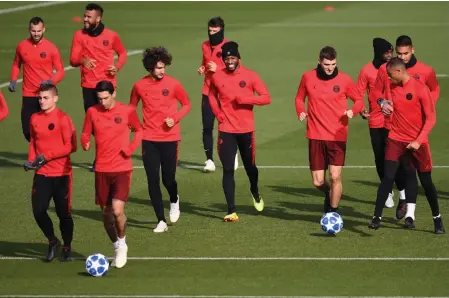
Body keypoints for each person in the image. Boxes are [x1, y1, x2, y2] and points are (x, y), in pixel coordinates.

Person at [368, 57, 444, 234]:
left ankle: (437, 219)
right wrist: (382, 103)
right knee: (388, 177)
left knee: (426, 182)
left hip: (418, 143)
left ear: (399, 71)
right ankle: (376, 217)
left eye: (390, 75)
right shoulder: (393, 86)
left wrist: (418, 140)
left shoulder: (420, 89)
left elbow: (431, 118)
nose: (388, 78)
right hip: (395, 139)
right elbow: (375, 93)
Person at [81, 80, 143, 268]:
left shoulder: (127, 111)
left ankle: (123, 243)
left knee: (117, 211)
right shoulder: (92, 112)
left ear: (113, 93)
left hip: (122, 168)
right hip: (101, 169)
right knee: (107, 215)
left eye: (106, 98)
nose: (103, 102)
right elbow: (85, 133)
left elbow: (139, 130)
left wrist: (131, 148)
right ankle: (116, 245)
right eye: (100, 99)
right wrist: (85, 142)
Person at [295, 46, 364, 214]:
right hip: (316, 134)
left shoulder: (345, 80)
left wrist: (352, 111)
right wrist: (301, 111)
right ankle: (329, 193)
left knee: (335, 176)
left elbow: (359, 100)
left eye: (333, 64)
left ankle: (332, 212)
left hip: (337, 135)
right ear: (319, 61)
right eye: (327, 64)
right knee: (318, 182)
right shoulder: (307, 77)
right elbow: (299, 97)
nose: (330, 68)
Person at [208, 41, 271, 222]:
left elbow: (267, 98)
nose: (229, 62)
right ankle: (231, 210)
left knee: (250, 167)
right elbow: (212, 95)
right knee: (228, 169)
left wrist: (246, 99)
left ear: (238, 58)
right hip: (226, 129)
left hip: (246, 130)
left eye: (232, 58)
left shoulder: (250, 75)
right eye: (227, 59)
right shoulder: (217, 76)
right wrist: (218, 113)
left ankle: (255, 191)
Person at [130, 47, 191, 233]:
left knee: (168, 179)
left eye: (163, 67)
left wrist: (175, 118)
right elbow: (130, 109)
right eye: (158, 68)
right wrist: (137, 127)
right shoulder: (139, 86)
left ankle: (174, 199)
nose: (162, 71)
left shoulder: (173, 84)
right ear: (150, 68)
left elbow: (187, 104)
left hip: (170, 138)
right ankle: (161, 220)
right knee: (152, 180)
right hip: (149, 139)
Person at [70, 3, 127, 170]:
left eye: (89, 17)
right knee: (95, 122)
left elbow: (122, 53)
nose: (85, 19)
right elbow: (73, 59)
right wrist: (82, 60)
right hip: (88, 84)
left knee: (107, 120)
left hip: (107, 84)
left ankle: (104, 156)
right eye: (85, 16)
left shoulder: (111, 36)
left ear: (98, 18)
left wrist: (117, 66)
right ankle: (106, 152)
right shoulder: (79, 35)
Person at [24, 84, 77, 262]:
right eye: (40, 98)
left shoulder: (63, 119)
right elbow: (33, 142)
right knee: (38, 211)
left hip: (62, 175)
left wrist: (46, 156)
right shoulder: (34, 119)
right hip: (42, 175)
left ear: (55, 98)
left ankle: (67, 246)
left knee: (64, 214)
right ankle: (53, 241)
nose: (41, 101)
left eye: (45, 98)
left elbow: (71, 146)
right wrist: (32, 161)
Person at [356, 38, 406, 208]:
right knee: (379, 158)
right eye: (386, 52)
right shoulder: (367, 70)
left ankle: (402, 191)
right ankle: (388, 192)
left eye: (391, 52)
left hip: (393, 120)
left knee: (394, 157)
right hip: (376, 120)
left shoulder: (394, 69)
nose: (389, 55)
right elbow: (359, 92)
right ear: (377, 52)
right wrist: (362, 108)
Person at [9, 17, 65, 142]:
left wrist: (51, 82)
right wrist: (13, 80)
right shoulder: (21, 46)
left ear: (43, 30)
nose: (36, 34)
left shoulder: (51, 48)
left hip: (45, 94)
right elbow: (16, 64)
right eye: (33, 31)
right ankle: (41, 154)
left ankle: (43, 156)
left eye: (39, 31)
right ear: (29, 30)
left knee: (47, 130)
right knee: (28, 131)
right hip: (28, 94)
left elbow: (61, 71)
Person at [197, 17, 237, 172]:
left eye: (215, 31)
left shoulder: (228, 46)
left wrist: (218, 69)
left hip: (224, 92)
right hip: (208, 92)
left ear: (221, 30)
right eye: (210, 31)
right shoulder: (205, 45)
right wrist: (202, 68)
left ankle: (232, 155)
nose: (211, 33)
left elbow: (235, 69)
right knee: (207, 127)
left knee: (226, 126)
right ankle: (209, 160)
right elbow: (205, 62)